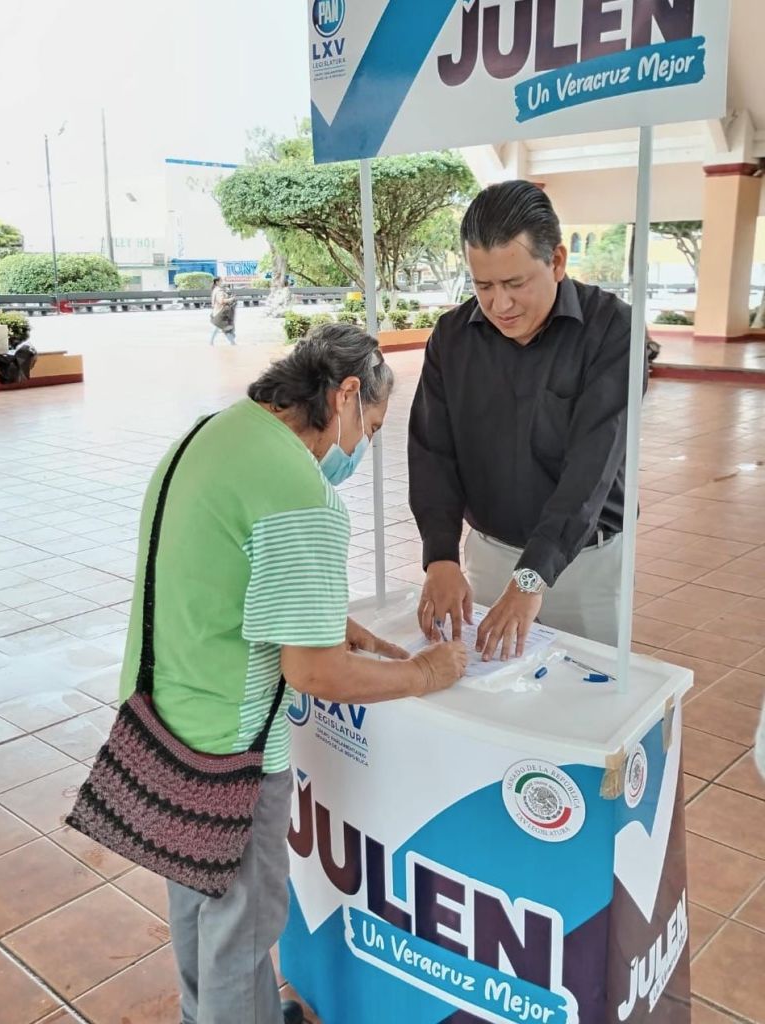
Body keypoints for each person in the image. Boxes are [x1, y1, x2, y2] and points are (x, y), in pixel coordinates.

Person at [119, 323, 467, 1024]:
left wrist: (328, 620)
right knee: (241, 929)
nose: (363, 446)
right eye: (371, 425)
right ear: (344, 395)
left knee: (198, 904)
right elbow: (314, 673)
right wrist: (427, 672)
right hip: (232, 750)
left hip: (158, 715)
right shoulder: (301, 492)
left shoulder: (212, 434)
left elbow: (220, 569)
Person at [408, 180, 647, 659]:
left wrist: (532, 577)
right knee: (489, 687)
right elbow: (433, 452)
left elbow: (591, 470)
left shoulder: (613, 331)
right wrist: (440, 557)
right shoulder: (452, 338)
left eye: (515, 284)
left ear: (556, 261)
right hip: (491, 554)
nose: (500, 305)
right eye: (484, 286)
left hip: (584, 564)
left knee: (585, 689)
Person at [209, 276, 237, 346]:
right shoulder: (219, 291)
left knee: (222, 328)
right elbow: (221, 301)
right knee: (222, 328)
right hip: (220, 312)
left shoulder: (215, 289)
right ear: (217, 282)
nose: (222, 282)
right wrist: (231, 299)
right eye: (221, 281)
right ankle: (232, 343)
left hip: (217, 311)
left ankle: (232, 343)